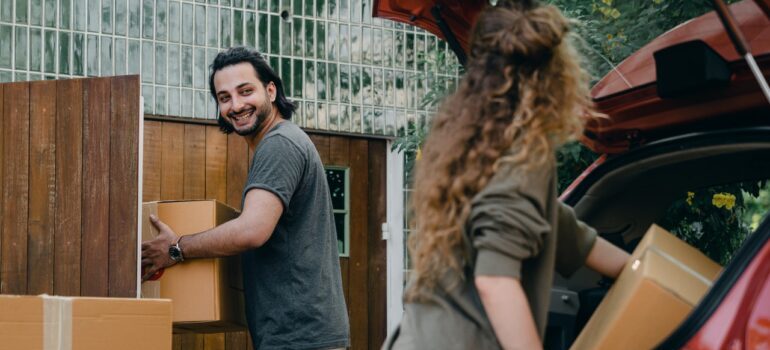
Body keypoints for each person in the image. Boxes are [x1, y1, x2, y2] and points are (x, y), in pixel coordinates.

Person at [383, 1, 630, 349]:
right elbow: (495, 281)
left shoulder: (472, 143)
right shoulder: (523, 154)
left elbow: (561, 229)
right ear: (553, 75)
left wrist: (644, 270)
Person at [141, 46, 350, 350]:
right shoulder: (282, 142)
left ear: (270, 90)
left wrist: (176, 249)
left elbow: (252, 231)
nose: (236, 105)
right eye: (224, 98)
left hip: (300, 338)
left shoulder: (279, 144)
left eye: (245, 91)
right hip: (299, 336)